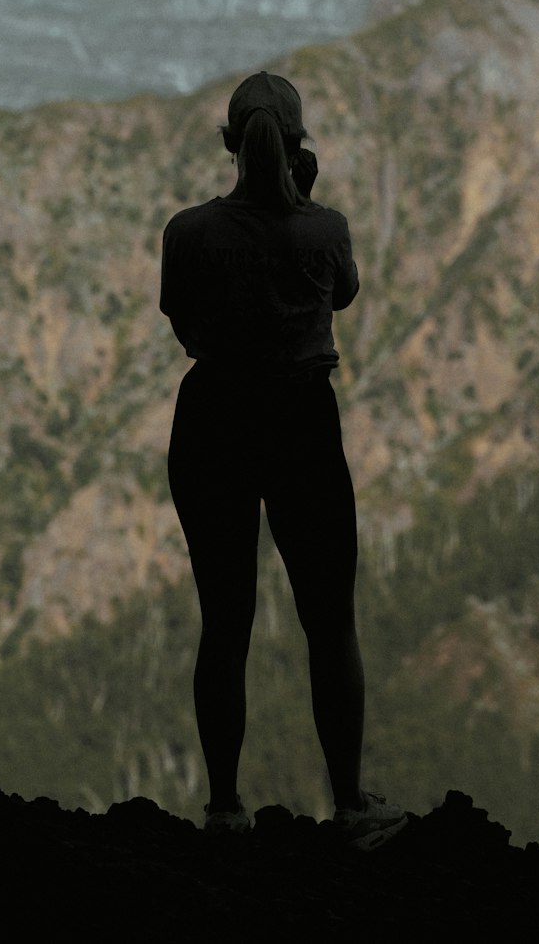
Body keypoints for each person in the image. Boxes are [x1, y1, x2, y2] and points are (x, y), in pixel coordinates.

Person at [160, 70, 406, 851]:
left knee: (225, 620)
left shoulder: (189, 232)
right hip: (302, 425)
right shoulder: (324, 231)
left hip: (211, 424)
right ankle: (349, 805)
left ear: (231, 145)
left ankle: (225, 808)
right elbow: (344, 297)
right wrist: (304, 197)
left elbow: (182, 322)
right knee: (328, 620)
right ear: (298, 147)